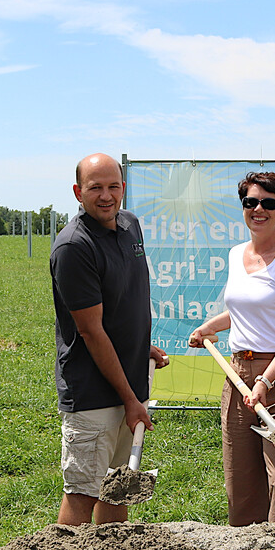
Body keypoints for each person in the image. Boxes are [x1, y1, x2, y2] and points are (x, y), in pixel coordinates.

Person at [188, 172, 275, 525]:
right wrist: (209, 327)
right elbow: (246, 309)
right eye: (250, 202)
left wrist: (266, 381)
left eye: (268, 203)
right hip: (238, 376)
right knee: (241, 476)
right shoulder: (235, 255)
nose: (258, 209)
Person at [51, 153, 168, 526]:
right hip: (94, 395)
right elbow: (91, 331)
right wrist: (131, 400)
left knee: (118, 489)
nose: (106, 196)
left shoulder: (130, 225)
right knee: (83, 492)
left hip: (128, 384)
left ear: (123, 188)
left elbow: (124, 302)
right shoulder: (74, 247)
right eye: (95, 188)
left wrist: (138, 347)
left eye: (113, 186)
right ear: (77, 192)